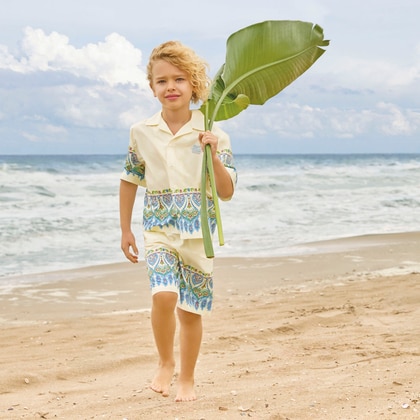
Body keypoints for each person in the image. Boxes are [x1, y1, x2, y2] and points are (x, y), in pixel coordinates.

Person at [119, 40, 236, 402]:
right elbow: (129, 178)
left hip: (200, 233)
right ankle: (166, 362)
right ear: (152, 88)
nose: (170, 87)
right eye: (161, 81)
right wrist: (125, 229)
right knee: (165, 295)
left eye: (179, 79)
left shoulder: (213, 131)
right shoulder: (142, 131)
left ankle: (187, 376)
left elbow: (227, 191)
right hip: (158, 228)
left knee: (190, 310)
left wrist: (213, 153)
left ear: (194, 84)